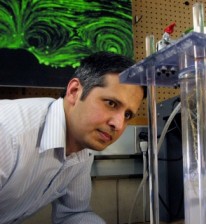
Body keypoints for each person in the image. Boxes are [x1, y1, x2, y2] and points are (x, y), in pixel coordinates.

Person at [0, 51, 146, 224]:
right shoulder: (8, 133)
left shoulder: (82, 151)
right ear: (74, 91)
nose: (119, 124)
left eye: (128, 115)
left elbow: (72, 214)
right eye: (111, 103)